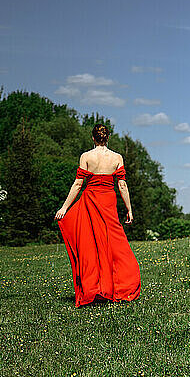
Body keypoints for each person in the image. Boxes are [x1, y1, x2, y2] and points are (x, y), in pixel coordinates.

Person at [54, 123, 141, 307]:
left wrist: (64, 208)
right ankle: (121, 285)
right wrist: (129, 209)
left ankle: (95, 287)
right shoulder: (117, 157)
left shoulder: (86, 156)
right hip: (109, 202)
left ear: (93, 138)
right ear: (107, 137)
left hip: (91, 200)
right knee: (115, 244)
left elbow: (78, 184)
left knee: (91, 245)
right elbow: (122, 185)